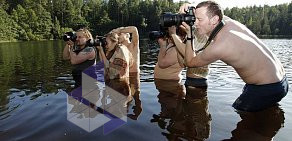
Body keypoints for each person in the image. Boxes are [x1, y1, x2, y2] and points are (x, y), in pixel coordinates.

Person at [178, 1, 289, 112]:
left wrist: (189, 35)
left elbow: (190, 62)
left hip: (267, 87)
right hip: (281, 80)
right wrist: (189, 6)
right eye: (194, 18)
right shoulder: (230, 23)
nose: (195, 24)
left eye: (199, 20)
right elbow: (214, 11)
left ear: (214, 19)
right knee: (264, 113)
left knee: (241, 113)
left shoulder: (219, 46)